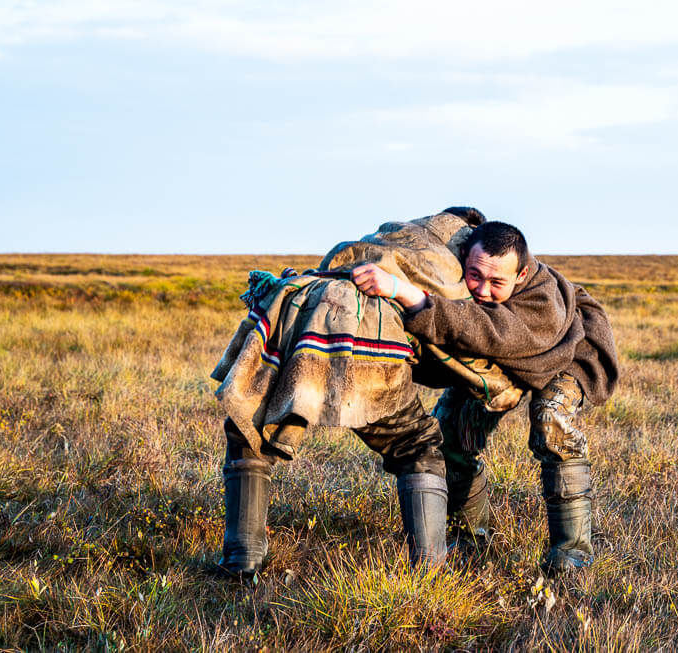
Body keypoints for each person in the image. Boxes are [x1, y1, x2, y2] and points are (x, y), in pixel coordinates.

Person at [213, 207, 516, 575]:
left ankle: (240, 561)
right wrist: (503, 386)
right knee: (416, 446)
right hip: (365, 333)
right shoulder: (449, 260)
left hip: (299, 315)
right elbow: (458, 332)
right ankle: (430, 571)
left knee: (250, 430)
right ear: (469, 233)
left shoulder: (390, 235)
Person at [351, 220, 619, 574]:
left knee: (551, 420)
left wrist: (410, 296)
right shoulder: (455, 275)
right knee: (450, 435)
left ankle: (571, 553)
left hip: (566, 353)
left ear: (521, 274)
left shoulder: (542, 300)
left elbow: (493, 331)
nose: (482, 289)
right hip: (495, 361)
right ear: (465, 257)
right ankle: (471, 538)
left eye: (497, 282)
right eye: (475, 275)